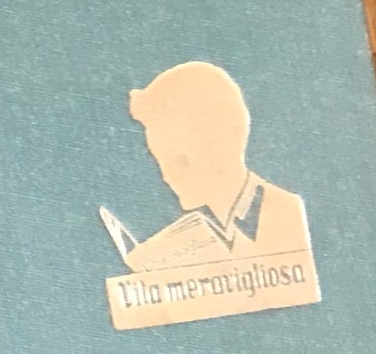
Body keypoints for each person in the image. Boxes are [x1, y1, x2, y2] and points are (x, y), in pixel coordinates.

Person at [117, 60, 310, 267]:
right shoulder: (179, 244)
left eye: (181, 162)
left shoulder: (288, 216)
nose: (166, 177)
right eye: (160, 161)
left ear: (223, 145)